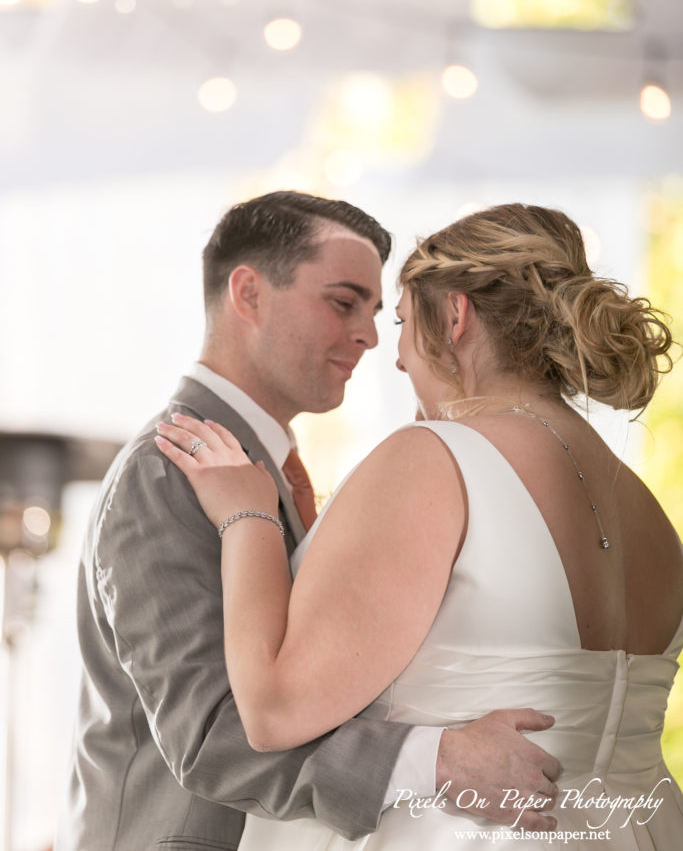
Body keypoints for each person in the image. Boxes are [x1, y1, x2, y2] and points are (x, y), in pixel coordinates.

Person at [157, 202, 683, 849]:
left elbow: (271, 711)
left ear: (454, 315)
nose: (398, 358)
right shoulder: (646, 509)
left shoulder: (431, 458)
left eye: (402, 321)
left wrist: (249, 515)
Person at [56, 193, 560, 851]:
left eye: (377, 312)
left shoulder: (264, 468)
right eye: (343, 301)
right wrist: (439, 761)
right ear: (248, 293)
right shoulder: (166, 471)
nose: (370, 335)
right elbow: (211, 735)